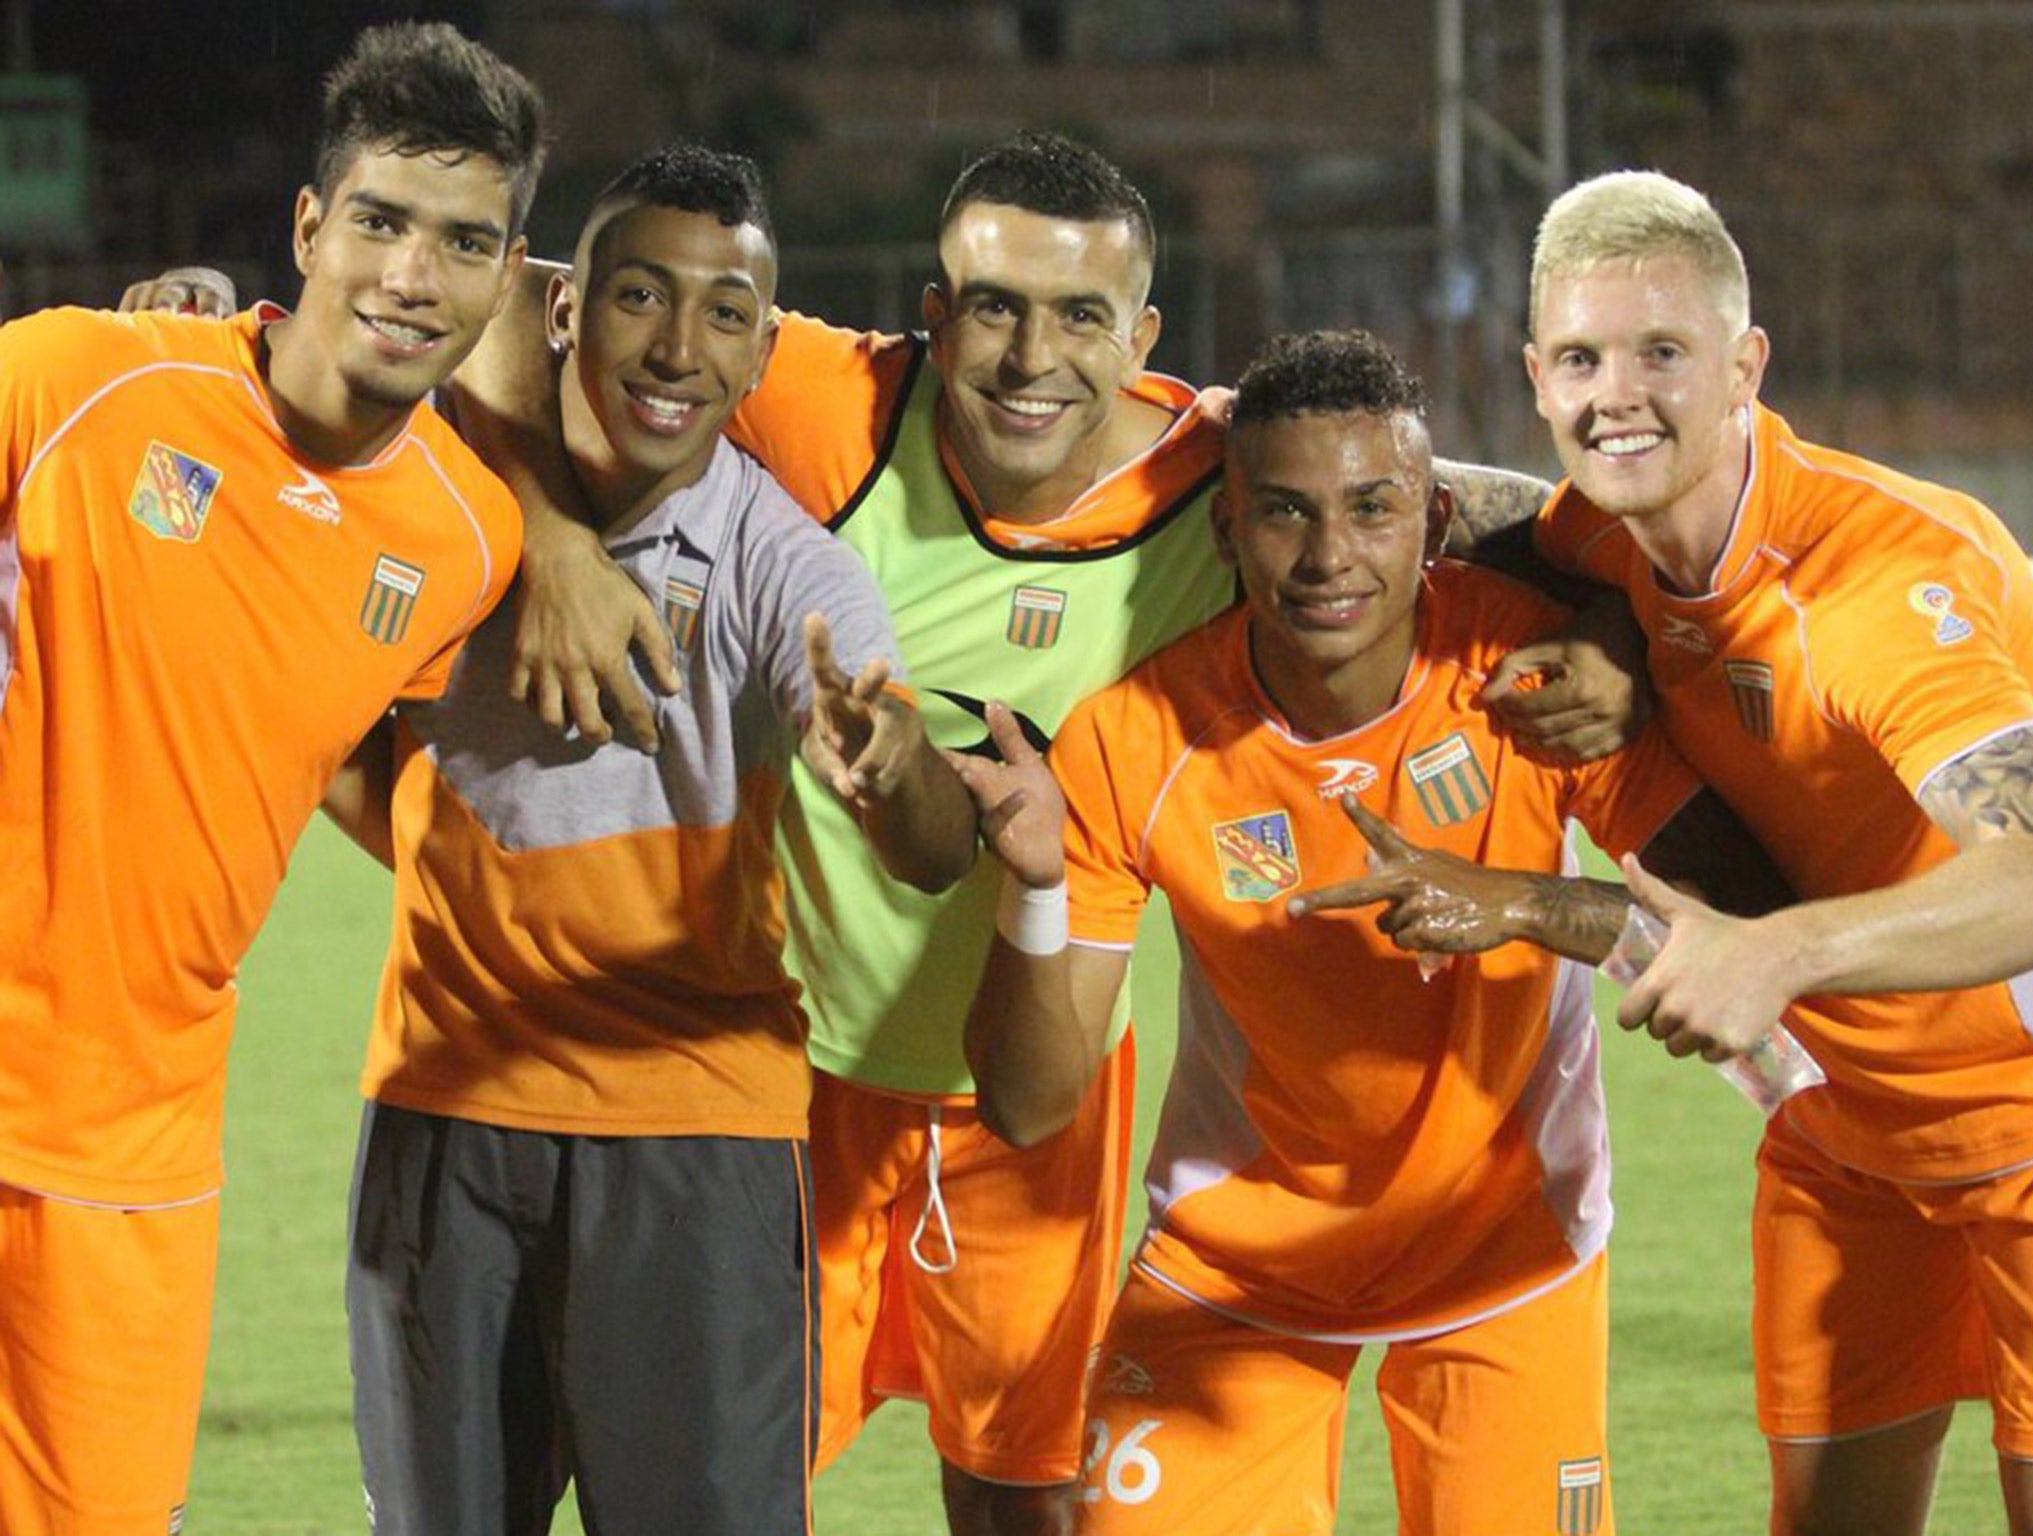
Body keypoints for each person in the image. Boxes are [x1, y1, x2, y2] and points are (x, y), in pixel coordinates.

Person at [461, 131, 1598, 1536]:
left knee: (1023, 1496)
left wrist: (1617, 639)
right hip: (781, 1074)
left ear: (1142, 340)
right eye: (993, 307)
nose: (1030, 357)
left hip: (1038, 1070)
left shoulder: (1219, 478)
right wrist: (554, 541)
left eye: (1080, 317)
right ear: (934, 318)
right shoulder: (837, 406)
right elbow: (525, 301)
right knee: (700, 1488)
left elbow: (1470, 511)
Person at [953, 329, 1785, 1536]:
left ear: (1432, 518)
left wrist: (1527, 902)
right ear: (1228, 532)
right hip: (1237, 1265)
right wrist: (1030, 887)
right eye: (1284, 514)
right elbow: (1030, 1105)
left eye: (1371, 507)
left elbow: (1755, 939)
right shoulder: (1136, 738)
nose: (1329, 555)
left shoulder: (1530, 675)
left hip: (1507, 1251)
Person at [320, 141, 974, 1536]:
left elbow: (928, 849)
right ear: (563, 308)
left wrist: (895, 765)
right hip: (444, 1119)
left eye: (726, 314)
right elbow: (319, 736)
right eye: (639, 297)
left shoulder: (783, 563)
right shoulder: (433, 500)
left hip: (691, 1134)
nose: (677, 347)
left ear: (759, 355)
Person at [0, 22, 541, 1536]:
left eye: (461, 240)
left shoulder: (462, 538)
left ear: (507, 274)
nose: (410, 275)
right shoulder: (73, 383)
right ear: (310, 226)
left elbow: (349, 766)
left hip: (138, 1139)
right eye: (378, 221)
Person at [1520, 169, 2033, 1536]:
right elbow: (1438, 501)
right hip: (1856, 1136)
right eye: (1581, 357)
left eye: (1662, 354)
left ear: (1746, 366)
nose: (1615, 394)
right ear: (1535, 376)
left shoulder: (1876, 582)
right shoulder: (1596, 536)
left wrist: (1785, 950)